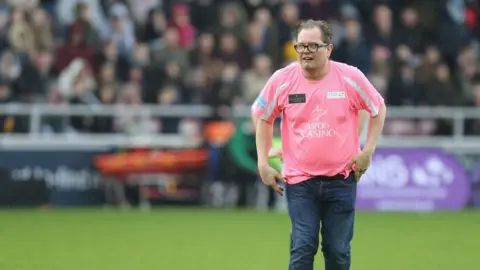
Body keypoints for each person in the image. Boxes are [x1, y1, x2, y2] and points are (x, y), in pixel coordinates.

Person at [252, 19, 386, 270]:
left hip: (341, 180)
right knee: (303, 247)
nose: (306, 52)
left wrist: (367, 151)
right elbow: (262, 117)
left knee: (337, 252)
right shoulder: (282, 79)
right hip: (300, 182)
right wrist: (263, 163)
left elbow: (378, 109)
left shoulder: (350, 77)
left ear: (329, 49)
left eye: (313, 46)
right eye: (301, 46)